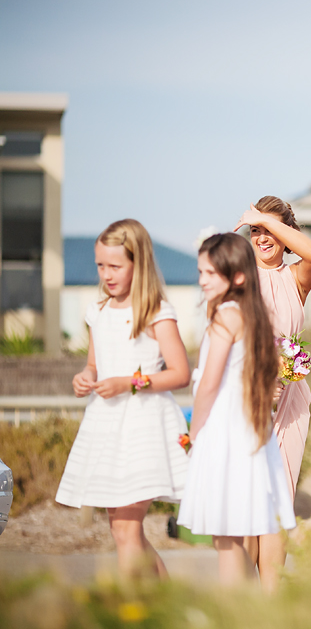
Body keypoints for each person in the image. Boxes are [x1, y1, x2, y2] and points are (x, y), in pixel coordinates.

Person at [56, 219, 191, 579]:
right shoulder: (97, 312)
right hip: (106, 425)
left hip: (144, 426)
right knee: (122, 531)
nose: (106, 274)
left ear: (139, 263)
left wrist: (127, 383)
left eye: (115, 266)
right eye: (101, 265)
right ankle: (162, 608)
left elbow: (180, 373)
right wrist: (86, 378)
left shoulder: (156, 312)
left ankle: (136, 613)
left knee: (128, 530)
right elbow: (93, 366)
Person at [177, 233, 296, 587]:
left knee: (225, 535)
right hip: (249, 426)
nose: (202, 280)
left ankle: (233, 613)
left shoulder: (225, 317)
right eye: (200, 272)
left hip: (224, 430)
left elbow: (210, 383)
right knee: (236, 530)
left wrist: (194, 432)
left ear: (238, 277)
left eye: (211, 273)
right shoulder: (253, 314)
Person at [234, 196, 311, 585]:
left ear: (286, 234)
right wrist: (247, 226)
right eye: (255, 231)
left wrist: (265, 220)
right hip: (244, 395)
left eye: (269, 230)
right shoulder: (236, 278)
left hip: (288, 400)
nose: (261, 237)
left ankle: (272, 600)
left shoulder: (295, 277)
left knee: (277, 499)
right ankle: (239, 597)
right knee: (243, 500)